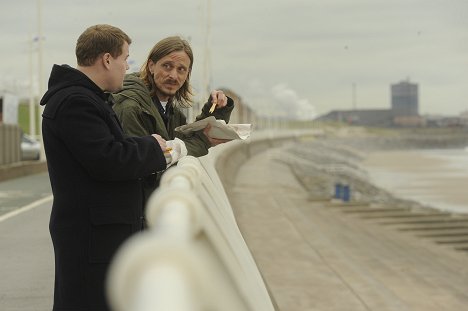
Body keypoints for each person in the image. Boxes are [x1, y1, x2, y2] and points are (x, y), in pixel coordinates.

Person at [40, 24, 168, 311]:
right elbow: (108, 159)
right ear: (107, 59)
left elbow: (106, 152)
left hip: (97, 235)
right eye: (125, 58)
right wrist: (154, 147)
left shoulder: (85, 98)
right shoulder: (76, 102)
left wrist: (147, 145)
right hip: (92, 240)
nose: (126, 66)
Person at [112, 36, 234, 201]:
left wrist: (216, 112)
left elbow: (182, 143)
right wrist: (204, 141)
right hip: (135, 213)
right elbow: (147, 165)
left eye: (181, 69)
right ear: (151, 66)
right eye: (167, 66)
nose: (173, 75)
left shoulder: (173, 112)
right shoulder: (131, 108)